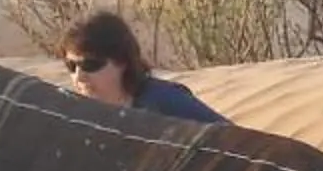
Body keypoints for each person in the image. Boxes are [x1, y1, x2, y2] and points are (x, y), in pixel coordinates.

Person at [60, 11, 224, 124]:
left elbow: (234, 144)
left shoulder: (165, 101)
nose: (79, 76)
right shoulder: (82, 116)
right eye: (71, 66)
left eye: (90, 65)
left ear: (121, 62)